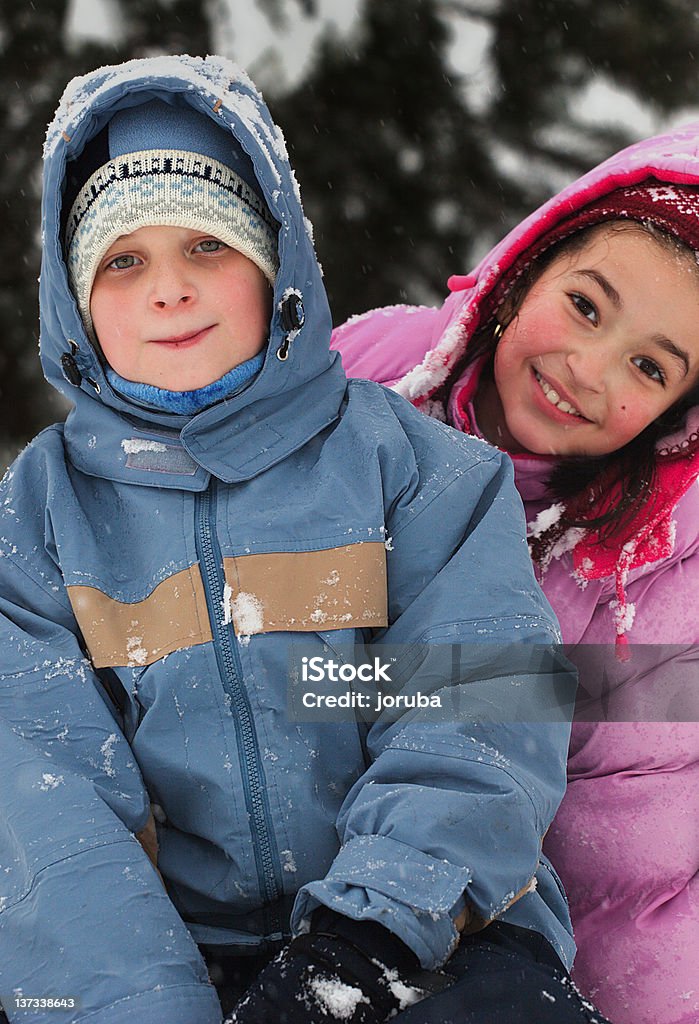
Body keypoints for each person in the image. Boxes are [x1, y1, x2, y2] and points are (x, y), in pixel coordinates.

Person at [0, 54, 607, 1024]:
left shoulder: (418, 469)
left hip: (442, 933)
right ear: (74, 300)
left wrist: (363, 940)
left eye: (208, 245)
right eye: (123, 259)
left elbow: (480, 712)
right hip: (186, 957)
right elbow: (40, 795)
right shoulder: (39, 515)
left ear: (274, 262)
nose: (169, 291)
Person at [332, 126, 699, 1024]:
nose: (586, 367)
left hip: (487, 919)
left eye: (647, 367)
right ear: (528, 265)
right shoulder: (373, 371)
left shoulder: (654, 573)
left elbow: (631, 856)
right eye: (584, 305)